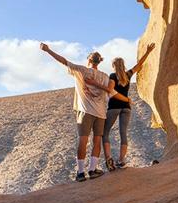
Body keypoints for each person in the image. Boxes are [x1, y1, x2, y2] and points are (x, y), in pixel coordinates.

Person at [39, 43, 117, 181]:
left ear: (89, 60)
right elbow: (110, 91)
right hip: (100, 112)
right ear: (99, 61)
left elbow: (64, 61)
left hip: (85, 110)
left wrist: (48, 50)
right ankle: (92, 170)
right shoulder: (105, 76)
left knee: (83, 140)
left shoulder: (81, 70)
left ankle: (80, 173)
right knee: (97, 140)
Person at [102, 43, 155, 169]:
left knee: (105, 133)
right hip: (126, 108)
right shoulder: (128, 75)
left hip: (114, 107)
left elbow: (110, 90)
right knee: (123, 133)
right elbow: (139, 65)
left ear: (114, 66)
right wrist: (148, 52)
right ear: (123, 65)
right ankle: (121, 161)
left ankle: (109, 159)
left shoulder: (112, 76)